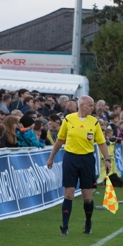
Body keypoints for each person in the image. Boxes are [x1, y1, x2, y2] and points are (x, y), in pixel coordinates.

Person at [46, 95, 111, 236]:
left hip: (87, 160)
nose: (93, 108)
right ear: (82, 105)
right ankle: (65, 227)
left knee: (87, 197)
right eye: (90, 105)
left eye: (93, 105)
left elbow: (101, 142)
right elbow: (60, 140)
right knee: (68, 194)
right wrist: (51, 157)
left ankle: (88, 223)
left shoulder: (94, 122)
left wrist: (107, 159)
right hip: (70, 158)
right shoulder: (69, 119)